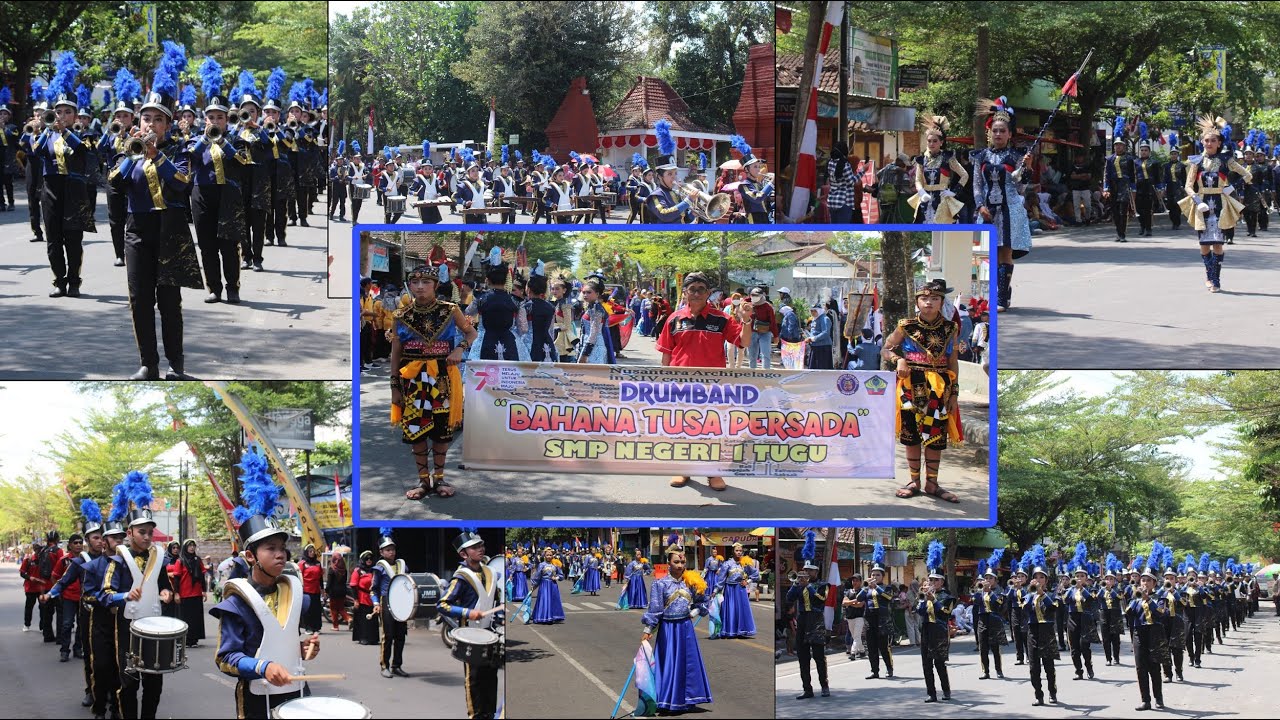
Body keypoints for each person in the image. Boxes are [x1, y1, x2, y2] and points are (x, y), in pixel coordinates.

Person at [109, 45, 203, 381]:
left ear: (168, 123)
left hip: (169, 229)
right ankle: (149, 363)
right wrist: (133, 154)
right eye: (146, 118)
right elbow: (114, 182)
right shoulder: (129, 149)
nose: (151, 123)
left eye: (158, 119)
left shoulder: (181, 148)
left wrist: (156, 156)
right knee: (139, 299)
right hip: (137, 229)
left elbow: (182, 182)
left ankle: (177, 365)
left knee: (169, 301)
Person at [209, 454, 320, 719]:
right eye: (271, 548)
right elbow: (225, 658)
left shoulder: (292, 593)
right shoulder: (237, 602)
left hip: (296, 689)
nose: (280, 554)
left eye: (282, 548)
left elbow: (285, 642)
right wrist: (262, 666)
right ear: (250, 556)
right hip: (256, 696)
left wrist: (304, 649)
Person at [658, 272, 753, 490]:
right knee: (682, 429)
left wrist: (746, 319)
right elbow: (666, 354)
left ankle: (713, 473)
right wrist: (663, 383)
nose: (697, 293)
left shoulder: (721, 319)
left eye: (701, 289)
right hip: (680, 387)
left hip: (713, 388)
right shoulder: (674, 319)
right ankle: (683, 469)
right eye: (692, 289)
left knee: (711, 430)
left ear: (708, 293)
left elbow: (744, 342)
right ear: (685, 292)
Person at [390, 260, 476, 500]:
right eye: (415, 282)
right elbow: (395, 354)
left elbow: (471, 332)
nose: (420, 287)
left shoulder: (450, 310)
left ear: (436, 285)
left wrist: (459, 349)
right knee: (416, 430)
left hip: (442, 377)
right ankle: (423, 480)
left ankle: (439, 478)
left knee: (441, 430)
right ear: (409, 285)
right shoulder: (401, 316)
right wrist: (394, 388)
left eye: (426, 282)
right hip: (412, 380)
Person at [97, 471, 175, 720]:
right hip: (127, 629)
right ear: (129, 533)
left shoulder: (159, 557)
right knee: (129, 683)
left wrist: (167, 593)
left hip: (154, 627)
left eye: (150, 532)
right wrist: (125, 596)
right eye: (142, 532)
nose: (148, 537)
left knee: (155, 682)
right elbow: (105, 595)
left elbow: (165, 586)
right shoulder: (118, 559)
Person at [884, 279, 963, 503]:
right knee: (912, 436)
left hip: (939, 388)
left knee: (935, 436)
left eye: (934, 298)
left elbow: (953, 361)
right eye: (924, 298)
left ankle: (932, 483)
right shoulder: (905, 326)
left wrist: (954, 393)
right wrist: (899, 360)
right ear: (917, 301)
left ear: (941, 302)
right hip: (911, 386)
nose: (929, 302)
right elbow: (886, 349)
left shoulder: (950, 328)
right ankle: (914, 481)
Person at [34, 53, 92, 299]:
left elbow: (82, 151)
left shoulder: (81, 135)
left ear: (75, 116)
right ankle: (59, 281)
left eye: (67, 112)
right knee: (53, 240)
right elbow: (35, 151)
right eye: (58, 111)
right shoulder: (48, 134)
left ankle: (74, 281)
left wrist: (65, 132)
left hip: (73, 191)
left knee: (73, 240)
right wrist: (44, 130)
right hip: (50, 190)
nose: (61, 116)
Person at [187, 62, 246, 305]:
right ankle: (214, 288)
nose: (215, 121)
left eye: (219, 117)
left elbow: (242, 161)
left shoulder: (237, 139)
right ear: (205, 119)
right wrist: (205, 139)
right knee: (207, 245)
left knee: (229, 244)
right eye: (211, 117)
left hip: (228, 196)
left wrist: (222, 142)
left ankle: (233, 288)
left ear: (226, 120)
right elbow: (189, 159)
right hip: (202, 195)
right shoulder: (195, 140)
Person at [1177, 116, 1250, 293]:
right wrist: (1197, 200)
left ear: (1219, 143)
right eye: (1206, 140)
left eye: (1213, 140)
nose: (1209, 143)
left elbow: (1247, 175)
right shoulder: (1196, 161)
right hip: (1202, 204)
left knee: (1218, 244)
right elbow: (1188, 186)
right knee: (1204, 245)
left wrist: (1232, 187)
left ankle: (1215, 279)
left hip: (1220, 205)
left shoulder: (1226, 160)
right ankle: (1209, 274)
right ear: (1202, 142)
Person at [974, 97, 1033, 311]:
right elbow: (977, 184)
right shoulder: (981, 156)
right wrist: (980, 205)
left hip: (1009, 210)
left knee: (1005, 253)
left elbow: (1021, 188)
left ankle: (1000, 298)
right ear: (989, 132)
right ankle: (1002, 292)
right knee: (989, 254)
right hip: (987, 210)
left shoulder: (1017, 157)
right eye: (995, 130)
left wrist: (1027, 168)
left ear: (1009, 134)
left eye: (1002, 131)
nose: (998, 134)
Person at [437, 529, 503, 720]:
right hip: (471, 635)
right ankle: (475, 715)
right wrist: (467, 612)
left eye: (481, 545)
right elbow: (442, 605)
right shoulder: (461, 577)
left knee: (490, 678)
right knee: (474, 679)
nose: (480, 549)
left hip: (490, 633)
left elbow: (496, 599)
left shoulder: (490, 572)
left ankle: (489, 714)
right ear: (463, 554)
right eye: (474, 547)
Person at [642, 542, 713, 713]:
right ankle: (667, 699)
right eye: (676, 562)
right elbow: (655, 609)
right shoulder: (660, 584)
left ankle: (686, 699)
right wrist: (648, 630)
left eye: (682, 562)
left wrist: (694, 612)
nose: (680, 565)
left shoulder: (691, 581)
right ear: (669, 563)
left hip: (685, 628)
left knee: (686, 664)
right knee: (669, 664)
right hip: (667, 629)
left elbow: (703, 602)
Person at [789, 539, 829, 700]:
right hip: (803, 621)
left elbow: (821, 599)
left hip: (816, 622)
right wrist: (795, 584)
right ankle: (807, 689)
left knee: (819, 657)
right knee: (803, 658)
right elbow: (789, 598)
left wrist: (809, 586)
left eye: (809, 571)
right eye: (805, 570)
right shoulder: (798, 585)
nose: (806, 573)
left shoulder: (823, 584)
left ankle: (824, 686)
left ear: (816, 572)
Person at [910, 116, 969, 224]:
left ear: (941, 142)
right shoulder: (921, 160)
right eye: (929, 141)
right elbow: (918, 180)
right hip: (925, 199)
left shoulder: (948, 158)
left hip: (942, 199)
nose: (931, 144)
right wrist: (921, 192)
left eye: (934, 141)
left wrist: (954, 192)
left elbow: (964, 175)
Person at [1128, 565, 1169, 711]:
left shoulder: (1160, 597)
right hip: (1139, 633)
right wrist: (1136, 599)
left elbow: (1161, 613)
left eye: (1148, 581)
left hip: (1154, 633)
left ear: (1154, 583)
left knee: (1154, 667)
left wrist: (1149, 600)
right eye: (1143, 580)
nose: (1145, 583)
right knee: (1141, 668)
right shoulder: (1136, 597)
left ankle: (1159, 698)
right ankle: (1145, 700)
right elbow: (1128, 613)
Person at [917, 544, 955, 703]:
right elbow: (919, 612)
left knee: (939, 663)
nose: (932, 582)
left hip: (939, 632)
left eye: (935, 580)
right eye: (930, 579)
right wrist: (923, 600)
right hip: (926, 631)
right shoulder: (925, 595)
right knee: (926, 665)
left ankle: (946, 690)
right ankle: (931, 693)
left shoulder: (948, 597)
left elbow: (946, 613)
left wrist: (934, 600)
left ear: (942, 582)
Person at [1022, 551, 1059, 706]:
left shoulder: (1052, 594)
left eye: (1041, 577)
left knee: (1049, 665)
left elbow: (1053, 607)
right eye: (1036, 577)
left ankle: (1052, 692)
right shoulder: (1028, 594)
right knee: (1034, 667)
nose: (1038, 580)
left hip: (1047, 632)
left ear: (1046, 580)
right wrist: (1031, 594)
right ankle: (1038, 694)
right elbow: (1024, 609)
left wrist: (1042, 593)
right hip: (1033, 632)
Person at [370, 529, 409, 677]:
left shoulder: (402, 565)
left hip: (402, 602)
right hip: (386, 601)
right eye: (388, 550)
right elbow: (373, 589)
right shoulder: (379, 568)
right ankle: (384, 666)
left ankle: (396, 665)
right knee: (388, 635)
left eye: (393, 549)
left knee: (401, 635)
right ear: (381, 552)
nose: (391, 552)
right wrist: (376, 604)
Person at [165, 539, 207, 647]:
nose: (192, 548)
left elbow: (202, 576)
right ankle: (186, 640)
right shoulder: (180, 561)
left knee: (196, 618)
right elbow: (177, 578)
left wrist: (204, 591)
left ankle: (194, 640)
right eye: (190, 546)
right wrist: (176, 593)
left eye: (193, 546)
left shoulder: (198, 560)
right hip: (184, 594)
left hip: (196, 593)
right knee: (185, 618)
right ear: (185, 548)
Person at [1064, 556, 1097, 680]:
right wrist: (1071, 588)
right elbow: (1065, 600)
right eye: (1077, 576)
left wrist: (1081, 589)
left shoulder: (1090, 589)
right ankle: (1078, 671)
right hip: (1073, 619)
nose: (1079, 578)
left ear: (1086, 578)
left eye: (1082, 576)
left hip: (1085, 619)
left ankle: (1089, 667)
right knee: (1074, 648)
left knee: (1084, 646)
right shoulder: (1070, 590)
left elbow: (1090, 599)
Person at [716, 543, 759, 639]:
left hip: (741, 590)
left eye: (740, 551)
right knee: (731, 609)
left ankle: (742, 630)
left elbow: (756, 574)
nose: (739, 552)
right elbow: (721, 580)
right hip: (730, 590)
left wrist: (747, 581)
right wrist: (715, 591)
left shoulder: (744, 563)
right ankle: (730, 631)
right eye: (737, 550)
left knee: (741, 610)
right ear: (733, 551)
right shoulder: (727, 564)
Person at [973, 556, 1006, 679]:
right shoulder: (980, 591)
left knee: (995, 647)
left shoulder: (999, 591)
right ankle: (985, 671)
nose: (987, 580)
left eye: (990, 578)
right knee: (983, 648)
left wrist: (990, 592)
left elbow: (999, 603)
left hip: (994, 620)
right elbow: (975, 602)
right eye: (986, 578)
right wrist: (979, 591)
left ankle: (998, 670)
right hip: (982, 620)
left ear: (995, 580)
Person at [575, 278, 617, 364]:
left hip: (595, 348)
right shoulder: (591, 307)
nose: (585, 295)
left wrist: (585, 354)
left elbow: (594, 333)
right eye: (584, 292)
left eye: (589, 292)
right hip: (588, 344)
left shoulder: (596, 309)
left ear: (597, 294)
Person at [1098, 559, 1126, 667]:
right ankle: (1108, 658)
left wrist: (1110, 590)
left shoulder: (1118, 588)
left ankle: (1116, 658)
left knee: (1115, 638)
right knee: (1106, 638)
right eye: (1107, 579)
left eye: (1111, 579)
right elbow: (1096, 597)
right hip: (1104, 614)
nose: (1108, 581)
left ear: (1114, 580)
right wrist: (1104, 588)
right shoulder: (1101, 589)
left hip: (1115, 614)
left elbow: (1119, 597)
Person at [349, 551, 379, 645]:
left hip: (373, 598)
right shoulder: (358, 571)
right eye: (367, 559)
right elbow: (353, 586)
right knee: (363, 619)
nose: (369, 560)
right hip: (362, 598)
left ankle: (373, 638)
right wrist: (356, 600)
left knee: (373, 618)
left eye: (371, 558)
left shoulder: (374, 570)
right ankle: (363, 637)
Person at [1133, 126, 1159, 237]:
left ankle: (1148, 228)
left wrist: (1159, 188)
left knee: (1148, 209)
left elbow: (1158, 176)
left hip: (1150, 187)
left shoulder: (1154, 162)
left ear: (1149, 151)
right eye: (1142, 150)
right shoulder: (1135, 162)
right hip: (1139, 187)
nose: (1143, 152)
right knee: (1139, 208)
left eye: (1145, 150)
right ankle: (1142, 226)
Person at [530, 547, 565, 624]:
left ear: (553, 556)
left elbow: (561, 576)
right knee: (544, 600)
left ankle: (553, 616)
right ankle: (543, 617)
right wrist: (534, 586)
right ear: (544, 556)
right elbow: (537, 576)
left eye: (550, 555)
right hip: (544, 586)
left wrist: (556, 577)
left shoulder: (555, 564)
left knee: (553, 600)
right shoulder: (541, 565)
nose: (549, 556)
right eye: (547, 555)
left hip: (553, 585)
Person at [298, 544, 324, 634]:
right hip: (306, 590)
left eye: (313, 551)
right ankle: (308, 628)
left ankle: (316, 627)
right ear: (306, 552)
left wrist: (322, 589)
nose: (312, 553)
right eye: (310, 551)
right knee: (308, 609)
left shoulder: (318, 563)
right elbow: (299, 577)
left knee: (316, 609)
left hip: (316, 590)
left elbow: (320, 577)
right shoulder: (302, 563)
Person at [325, 551, 349, 631]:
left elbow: (329, 583)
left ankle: (335, 626)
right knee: (341, 608)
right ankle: (349, 619)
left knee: (333, 609)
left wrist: (326, 591)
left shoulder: (332, 569)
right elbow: (345, 581)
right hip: (342, 591)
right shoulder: (344, 570)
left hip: (334, 592)